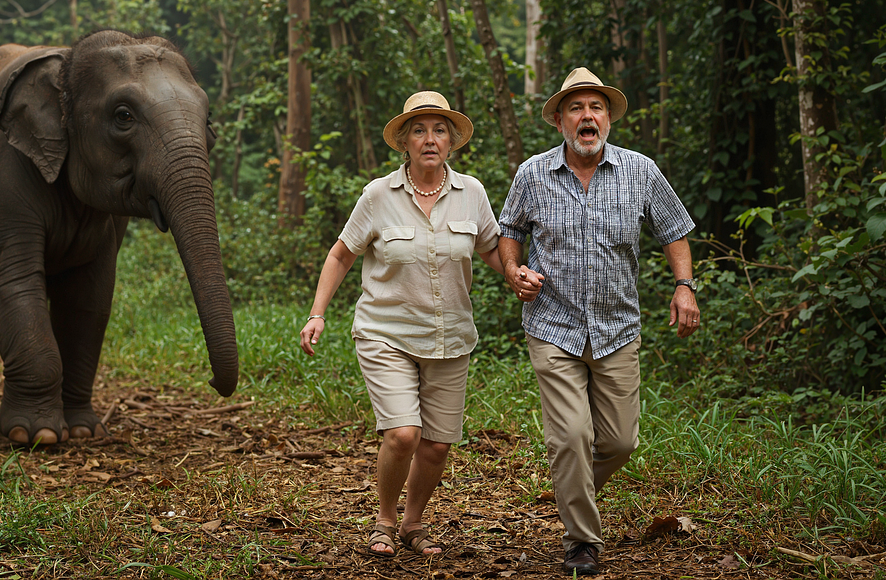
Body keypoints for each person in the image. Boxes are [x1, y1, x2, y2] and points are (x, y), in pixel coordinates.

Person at [497, 68, 701, 575]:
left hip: (617, 329)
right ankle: (581, 541)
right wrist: (512, 270)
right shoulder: (532, 174)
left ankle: (572, 488)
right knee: (569, 438)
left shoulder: (641, 171)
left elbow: (674, 230)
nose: (588, 117)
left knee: (619, 441)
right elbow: (509, 231)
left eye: (597, 108)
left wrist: (684, 285)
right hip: (552, 324)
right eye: (576, 108)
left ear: (607, 118)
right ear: (561, 120)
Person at [299, 91, 504, 558]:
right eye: (419, 130)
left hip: (451, 336)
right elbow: (341, 254)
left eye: (438, 130)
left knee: (435, 447)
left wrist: (516, 274)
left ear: (451, 141)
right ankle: (385, 520)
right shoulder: (378, 195)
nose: (429, 139)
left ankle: (413, 524)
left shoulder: (472, 193)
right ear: (404, 144)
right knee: (403, 434)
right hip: (385, 332)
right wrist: (317, 313)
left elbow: (492, 248)